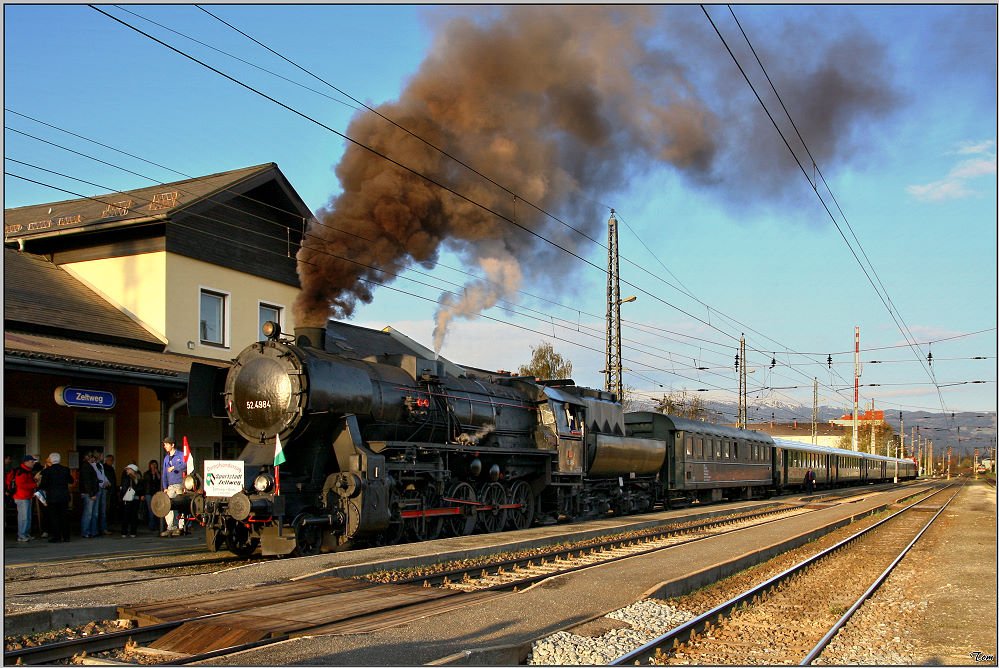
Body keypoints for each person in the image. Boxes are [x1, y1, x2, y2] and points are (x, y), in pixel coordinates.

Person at [37, 453, 72, 543]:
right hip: (64, 496)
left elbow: (43, 485)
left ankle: (57, 537)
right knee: (64, 516)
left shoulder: (47, 471)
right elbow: (71, 480)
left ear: (51, 460)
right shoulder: (65, 469)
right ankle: (66, 536)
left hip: (52, 497)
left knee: (54, 517)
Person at [5, 455, 38, 542]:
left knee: (27, 517)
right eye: (32, 461)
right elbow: (21, 484)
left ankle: (26, 534)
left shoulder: (26, 470)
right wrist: (35, 485)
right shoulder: (22, 471)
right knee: (24, 517)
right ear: (26, 462)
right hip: (22, 496)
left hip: (26, 496)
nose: (33, 463)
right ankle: (22, 535)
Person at [161, 437, 186, 537]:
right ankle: (170, 527)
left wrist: (175, 467)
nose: (165, 446)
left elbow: (186, 465)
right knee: (168, 506)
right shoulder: (166, 458)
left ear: (172, 445)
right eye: (164, 444)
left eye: (167, 444)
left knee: (180, 505)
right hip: (170, 486)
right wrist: (165, 486)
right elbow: (164, 473)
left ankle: (180, 527)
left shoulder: (180, 455)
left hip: (180, 484)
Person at [78, 452, 100, 538]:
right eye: (92, 457)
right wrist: (91, 494)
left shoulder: (90, 466)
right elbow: (87, 482)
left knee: (93, 513)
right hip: (89, 493)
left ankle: (93, 531)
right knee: (89, 513)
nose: (94, 459)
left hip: (92, 492)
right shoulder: (86, 467)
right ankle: (86, 531)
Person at [119, 463, 143, 537]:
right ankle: (126, 532)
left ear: (132, 470)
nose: (126, 470)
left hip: (133, 498)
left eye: (128, 469)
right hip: (129, 498)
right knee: (127, 515)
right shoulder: (126, 477)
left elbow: (141, 487)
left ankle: (131, 532)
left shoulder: (137, 478)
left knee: (133, 515)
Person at [94, 453, 111, 536]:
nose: (103, 457)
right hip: (98, 488)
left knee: (103, 510)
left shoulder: (101, 465)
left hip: (103, 488)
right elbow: (95, 477)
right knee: (96, 510)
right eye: (101, 456)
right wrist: (102, 483)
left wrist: (107, 481)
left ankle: (103, 528)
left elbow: (103, 475)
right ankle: (96, 529)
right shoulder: (93, 465)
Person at [143, 459, 162, 532]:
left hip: (156, 493)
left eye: (155, 464)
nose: (154, 466)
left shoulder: (158, 473)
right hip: (148, 493)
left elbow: (160, 481)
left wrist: (157, 474)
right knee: (150, 510)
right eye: (152, 464)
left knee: (157, 509)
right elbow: (145, 484)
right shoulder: (147, 473)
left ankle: (157, 525)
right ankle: (151, 525)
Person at [104, 454, 119, 530]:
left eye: (112, 460)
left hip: (112, 491)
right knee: (106, 507)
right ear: (107, 460)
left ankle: (110, 521)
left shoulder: (111, 468)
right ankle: (105, 523)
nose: (112, 462)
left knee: (111, 507)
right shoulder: (104, 468)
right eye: (111, 460)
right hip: (107, 491)